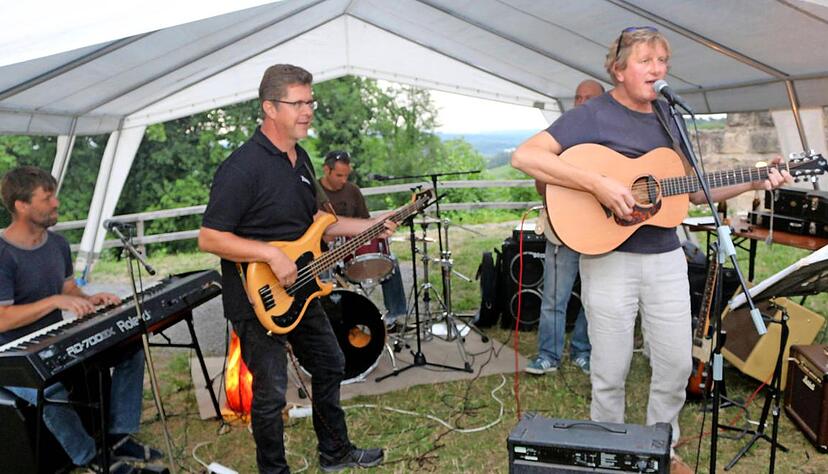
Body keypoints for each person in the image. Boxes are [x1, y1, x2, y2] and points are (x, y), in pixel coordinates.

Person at [511, 28, 790, 471]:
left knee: (677, 363)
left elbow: (694, 192)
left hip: (665, 257)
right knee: (610, 368)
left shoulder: (669, 117)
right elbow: (525, 156)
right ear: (618, 68)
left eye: (662, 60)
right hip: (608, 258)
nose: (657, 69)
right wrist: (599, 183)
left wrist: (757, 178)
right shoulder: (594, 114)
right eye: (645, 60)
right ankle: (613, 453)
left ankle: (664, 447)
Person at [198, 64, 388, 473]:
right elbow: (210, 237)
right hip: (256, 299)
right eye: (297, 103)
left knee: (330, 363)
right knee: (270, 394)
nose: (308, 111)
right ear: (269, 107)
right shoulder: (241, 168)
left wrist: (374, 223)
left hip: (301, 288)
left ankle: (335, 453)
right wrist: (269, 255)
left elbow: (325, 222)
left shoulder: (299, 158)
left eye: (310, 101)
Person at [0, 166, 161, 474]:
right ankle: (91, 458)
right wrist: (54, 301)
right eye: (47, 197)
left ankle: (118, 436)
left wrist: (90, 298)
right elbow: (2, 320)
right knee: (49, 392)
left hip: (53, 341)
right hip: (10, 356)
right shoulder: (3, 253)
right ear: (22, 206)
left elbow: (68, 289)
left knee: (130, 351)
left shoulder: (57, 244)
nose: (56, 203)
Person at [526, 79, 604, 376]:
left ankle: (582, 351)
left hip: (600, 231)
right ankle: (548, 355)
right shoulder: (560, 136)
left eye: (589, 97)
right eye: (578, 97)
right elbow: (540, 186)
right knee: (554, 298)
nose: (582, 103)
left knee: (593, 299)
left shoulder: (608, 140)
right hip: (562, 230)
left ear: (602, 102)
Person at [318, 150, 408, 327]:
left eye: (346, 175)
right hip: (323, 252)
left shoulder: (352, 190)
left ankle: (395, 315)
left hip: (353, 250)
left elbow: (365, 222)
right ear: (326, 170)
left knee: (391, 261)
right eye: (338, 175)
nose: (343, 180)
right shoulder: (313, 191)